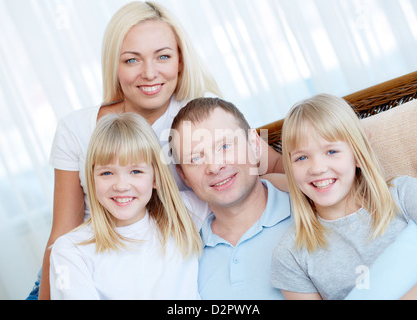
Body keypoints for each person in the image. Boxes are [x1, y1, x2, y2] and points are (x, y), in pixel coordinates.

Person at [30, 1, 282, 300]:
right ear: (115, 64)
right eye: (132, 60)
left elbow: (272, 171)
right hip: (87, 274)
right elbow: (63, 231)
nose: (149, 73)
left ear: (180, 61)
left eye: (162, 56)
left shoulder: (197, 118)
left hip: (164, 269)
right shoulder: (76, 129)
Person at [270, 94, 417, 300]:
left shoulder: (405, 194)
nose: (317, 168)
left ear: (357, 155)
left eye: (331, 151)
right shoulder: (291, 255)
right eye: (302, 157)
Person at [49, 112, 202, 299]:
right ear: (92, 179)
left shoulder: (185, 212)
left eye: (136, 171)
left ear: (155, 177)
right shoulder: (70, 250)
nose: (121, 185)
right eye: (106, 173)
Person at [170, 97, 292, 299]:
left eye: (225, 146)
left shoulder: (311, 209)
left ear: (254, 144)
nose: (215, 166)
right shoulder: (184, 258)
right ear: (183, 176)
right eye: (195, 158)